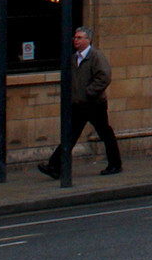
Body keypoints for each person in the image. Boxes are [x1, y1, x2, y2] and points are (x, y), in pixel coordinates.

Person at [39, 27, 122, 177]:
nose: (75, 40)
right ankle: (55, 166)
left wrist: (89, 92)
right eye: (75, 37)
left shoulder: (96, 56)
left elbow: (104, 77)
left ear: (88, 40)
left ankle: (115, 164)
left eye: (79, 37)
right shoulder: (74, 58)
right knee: (70, 135)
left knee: (105, 133)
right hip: (78, 104)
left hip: (94, 103)